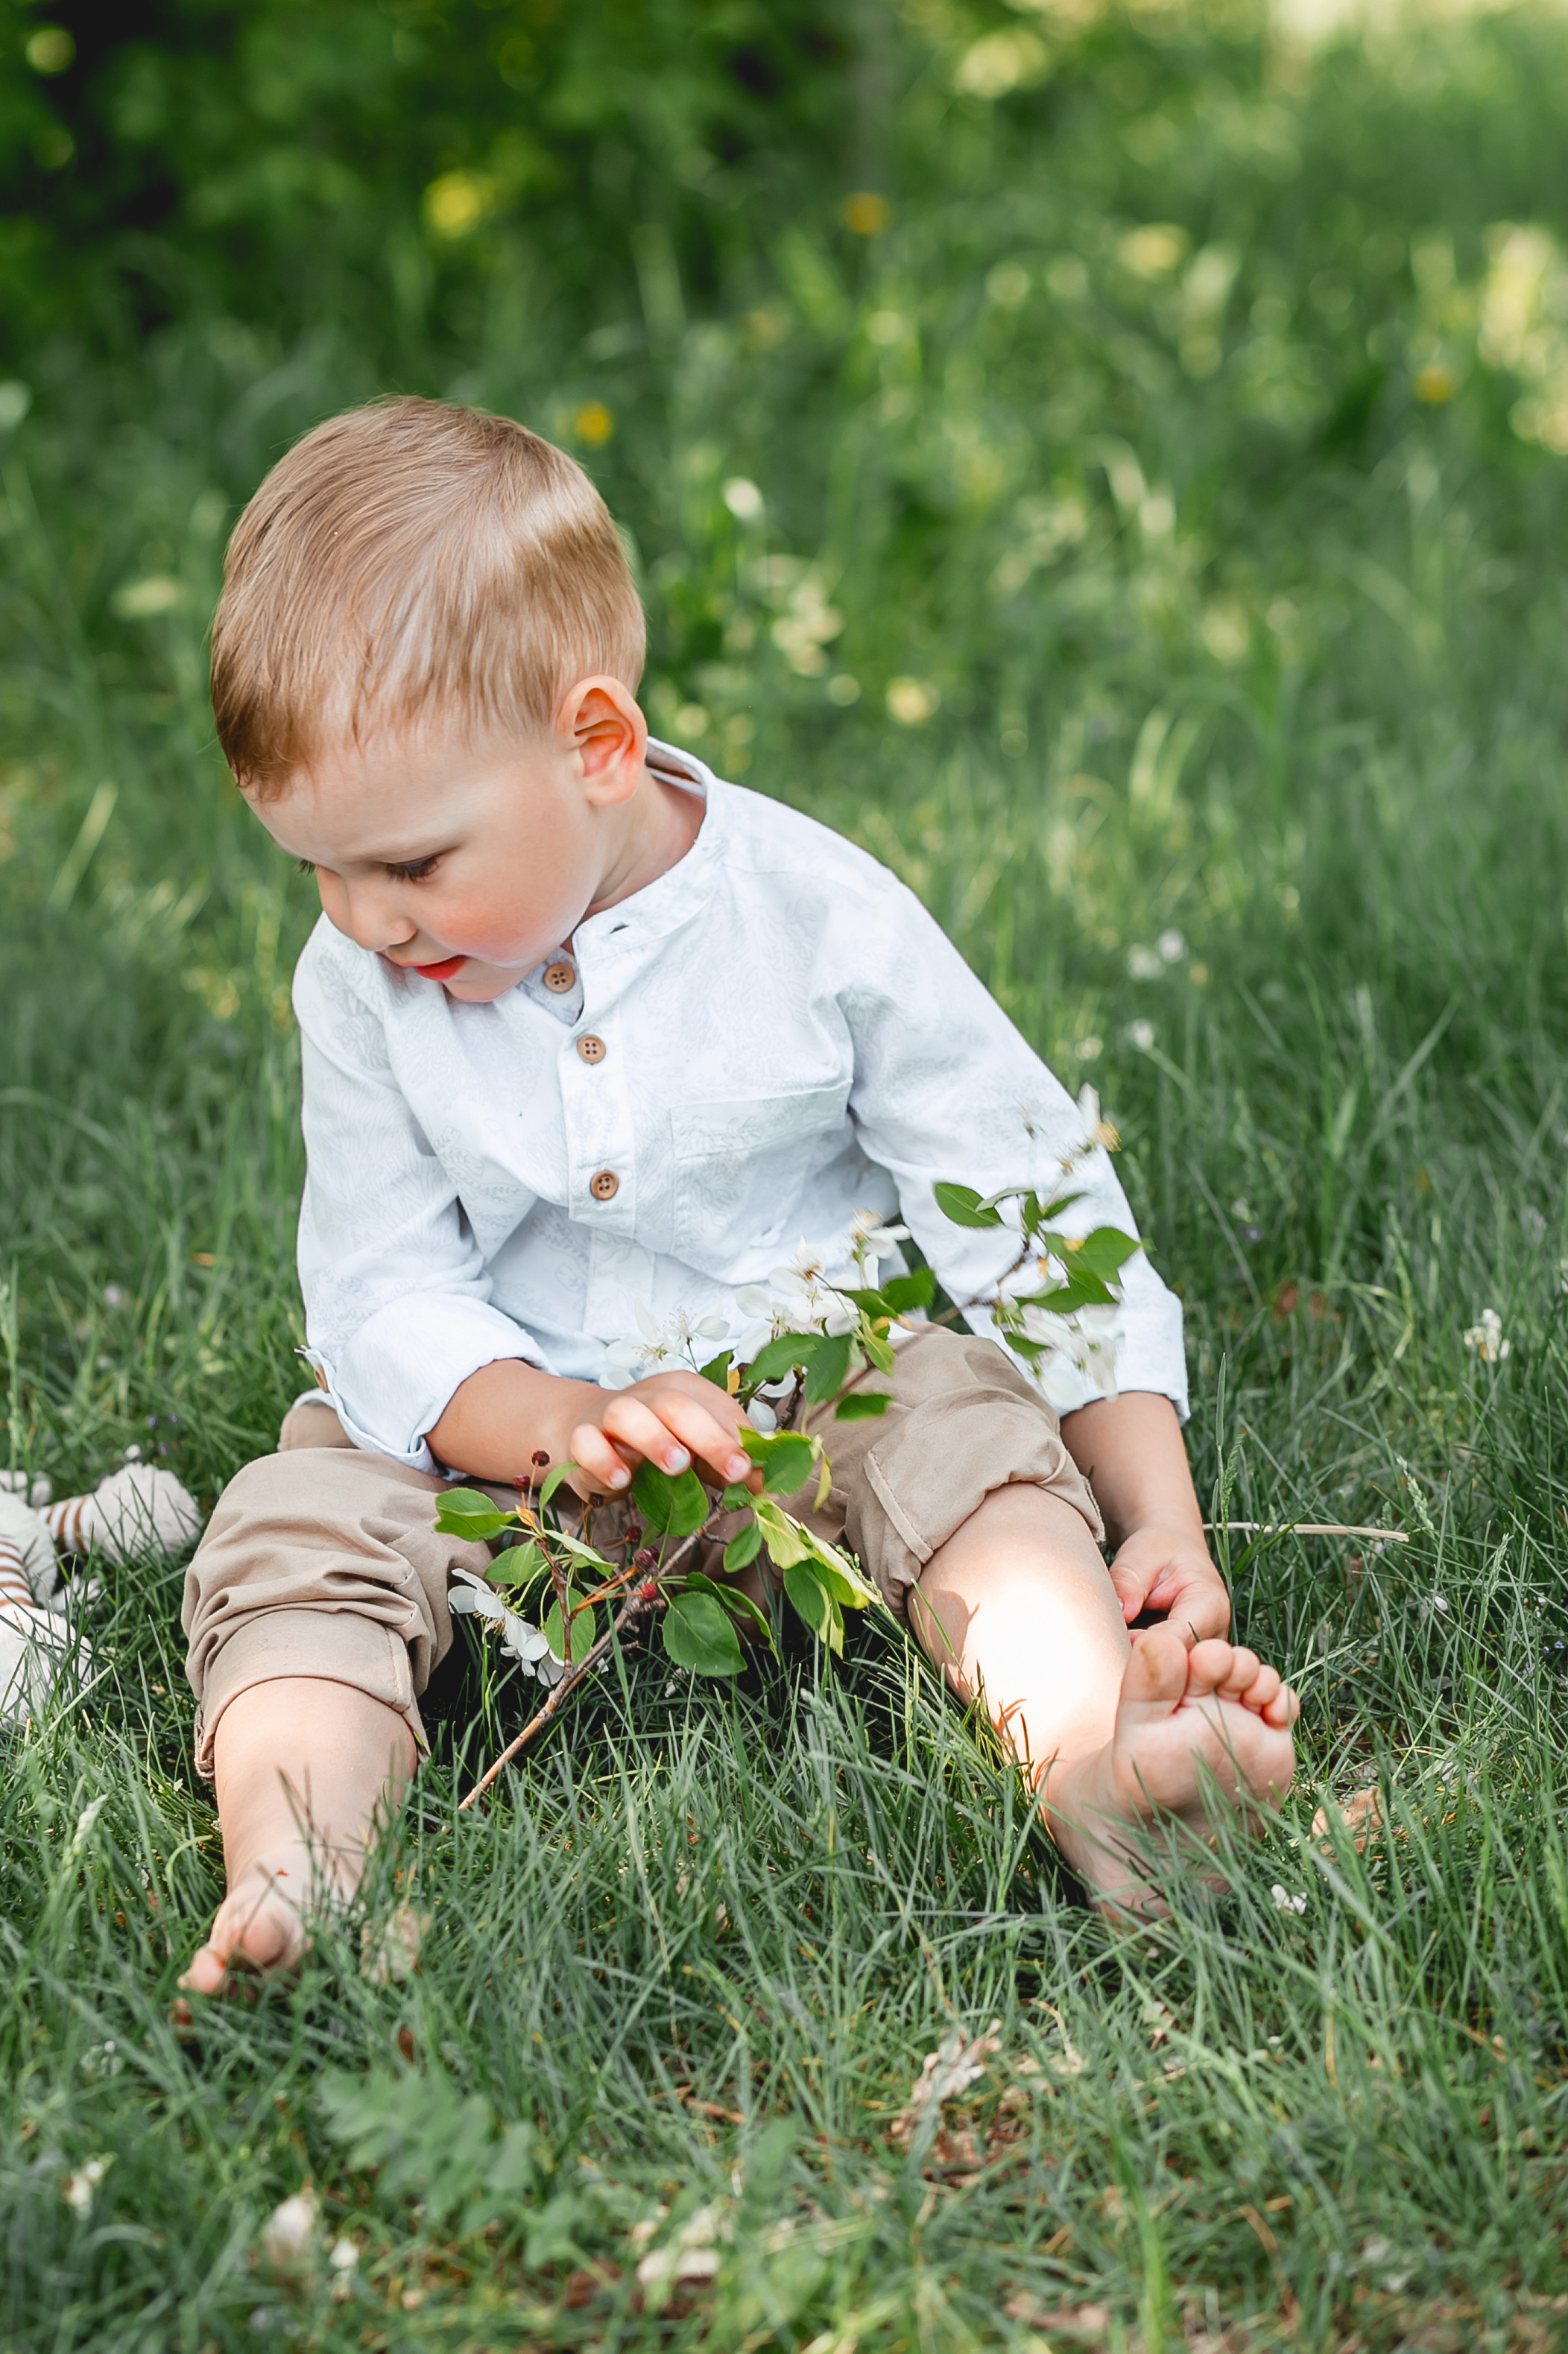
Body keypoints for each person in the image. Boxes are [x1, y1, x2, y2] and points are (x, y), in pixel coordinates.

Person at [177, 399, 1295, 1993]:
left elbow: (1029, 1215)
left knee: (965, 1441)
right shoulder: (365, 978)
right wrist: (555, 1418)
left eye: (412, 866)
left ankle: (1095, 1762)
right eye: (318, 871)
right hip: (518, 1461)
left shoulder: (813, 919)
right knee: (300, 1517)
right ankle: (300, 1864)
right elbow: (379, 1287)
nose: (363, 918)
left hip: (812, 1417)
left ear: (597, 746)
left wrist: (1158, 1511)